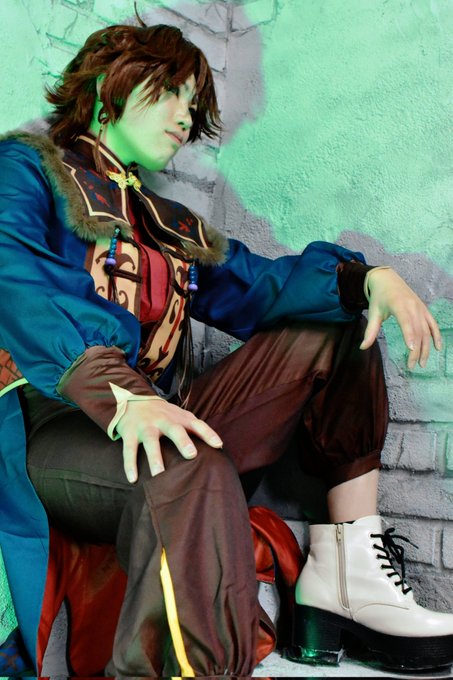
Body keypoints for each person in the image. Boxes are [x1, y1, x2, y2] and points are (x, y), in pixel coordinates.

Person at [0, 19, 452, 678]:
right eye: (170, 92)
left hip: (161, 416)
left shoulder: (168, 224)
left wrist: (366, 279)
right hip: (59, 425)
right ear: (107, 88)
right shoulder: (27, 169)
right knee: (186, 464)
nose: (185, 116)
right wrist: (119, 393)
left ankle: (349, 570)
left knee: (336, 320)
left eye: (194, 102)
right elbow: (15, 280)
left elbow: (261, 288)